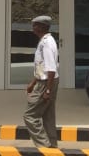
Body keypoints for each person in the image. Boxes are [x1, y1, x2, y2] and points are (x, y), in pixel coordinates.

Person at [24, 14, 59, 147]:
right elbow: (41, 67)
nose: (33, 28)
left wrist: (48, 90)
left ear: (43, 27)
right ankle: (52, 145)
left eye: (35, 25)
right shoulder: (45, 41)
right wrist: (33, 83)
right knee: (48, 116)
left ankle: (44, 145)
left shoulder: (47, 43)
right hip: (45, 81)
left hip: (46, 83)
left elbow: (51, 69)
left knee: (29, 116)